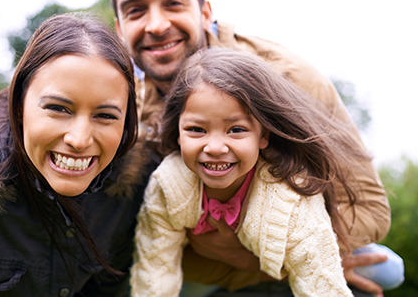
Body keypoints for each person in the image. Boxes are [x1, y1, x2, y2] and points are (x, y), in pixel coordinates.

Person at [109, 0, 394, 296]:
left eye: (173, 3)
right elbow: (147, 242)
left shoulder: (288, 78)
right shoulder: (123, 110)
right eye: (135, 11)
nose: (156, 25)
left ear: (204, 12)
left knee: (374, 273)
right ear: (119, 28)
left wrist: (290, 257)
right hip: (217, 272)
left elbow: (370, 211)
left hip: (303, 239)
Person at [0, 12, 152, 296]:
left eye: (105, 115)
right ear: (19, 106)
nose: (79, 140)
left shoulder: (129, 185)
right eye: (58, 108)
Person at [131, 48, 371, 296]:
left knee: (387, 270)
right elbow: (154, 272)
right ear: (178, 132)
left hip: (298, 248)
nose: (214, 148)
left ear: (263, 135)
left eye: (235, 130)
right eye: (196, 129)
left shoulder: (290, 199)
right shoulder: (168, 184)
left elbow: (320, 285)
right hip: (215, 270)